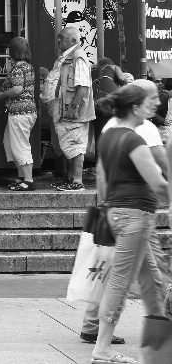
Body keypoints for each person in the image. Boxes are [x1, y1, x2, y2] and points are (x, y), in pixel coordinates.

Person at [78, 79, 168, 348]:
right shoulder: (134, 140)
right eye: (149, 100)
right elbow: (159, 183)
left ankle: (158, 337)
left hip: (118, 211)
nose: (156, 104)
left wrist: (105, 205)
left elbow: (102, 174)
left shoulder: (109, 134)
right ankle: (103, 348)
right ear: (135, 107)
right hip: (135, 215)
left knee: (148, 276)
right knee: (122, 279)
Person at [44, 26, 94, 192]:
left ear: (73, 41)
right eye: (59, 37)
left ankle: (77, 181)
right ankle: (72, 178)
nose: (59, 40)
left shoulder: (77, 57)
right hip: (64, 109)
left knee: (75, 144)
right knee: (68, 144)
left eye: (62, 38)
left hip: (72, 111)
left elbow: (83, 87)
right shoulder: (68, 57)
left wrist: (74, 106)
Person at [0, 37, 37, 191]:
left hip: (19, 112)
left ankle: (28, 180)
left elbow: (18, 89)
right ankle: (21, 176)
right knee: (10, 143)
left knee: (20, 144)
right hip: (27, 111)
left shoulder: (18, 68)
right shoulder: (28, 66)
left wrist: (3, 95)